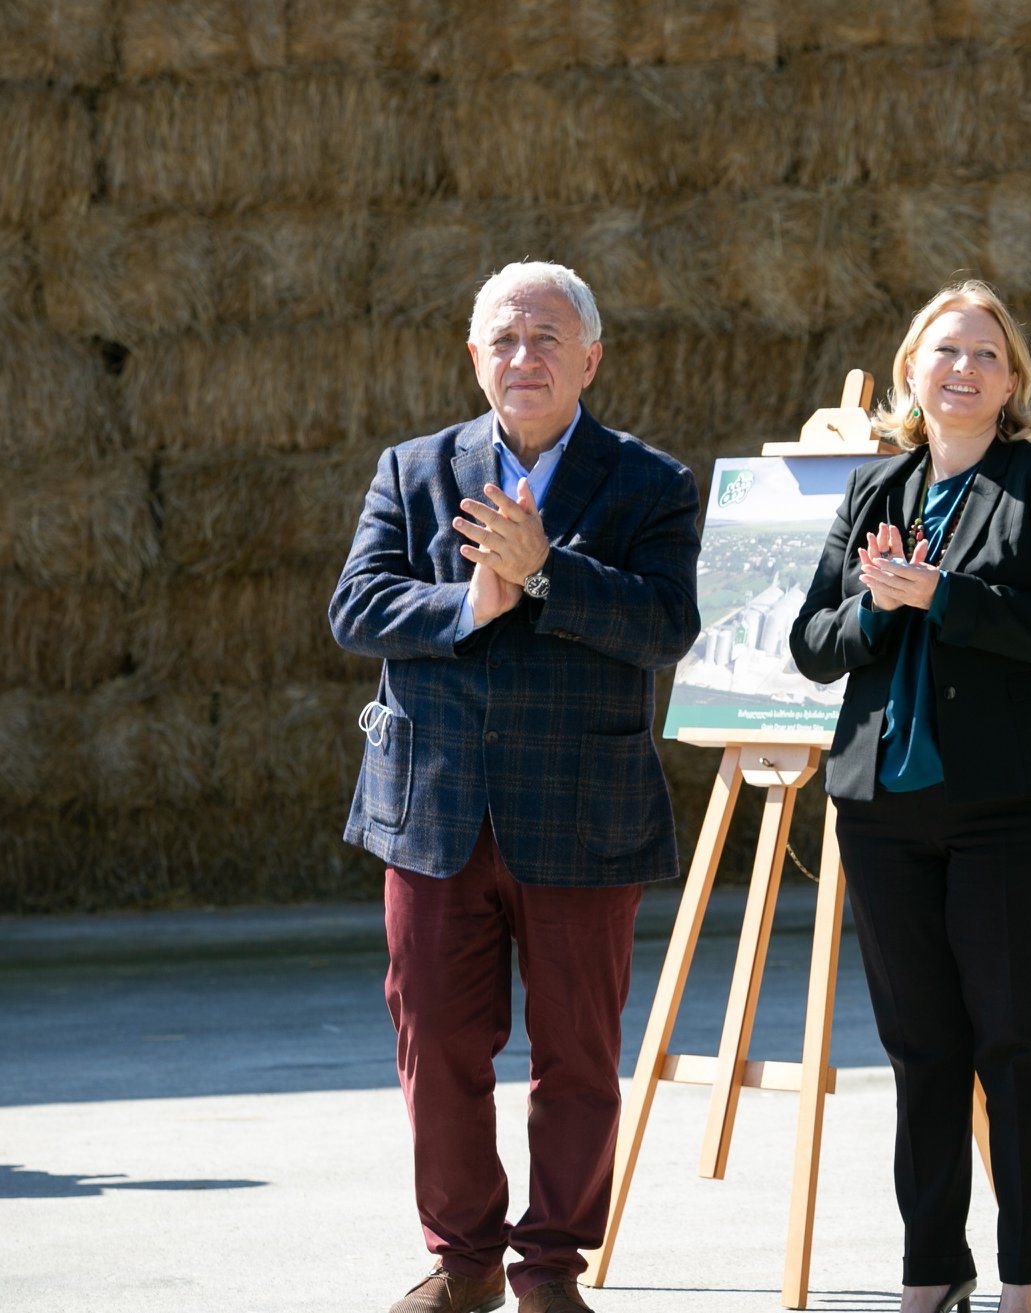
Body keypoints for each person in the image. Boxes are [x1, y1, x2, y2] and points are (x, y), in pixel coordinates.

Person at [329, 261, 700, 1313]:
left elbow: (666, 624)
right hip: (435, 813)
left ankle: (549, 1270)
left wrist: (546, 572)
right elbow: (356, 607)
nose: (522, 356)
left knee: (577, 1053)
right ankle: (464, 1260)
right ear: (474, 356)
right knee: (437, 1040)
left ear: (591, 359)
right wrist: (466, 606)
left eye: (546, 338)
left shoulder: (650, 483)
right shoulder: (413, 468)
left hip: (582, 812)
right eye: (503, 338)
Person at [790, 281, 1031, 1313]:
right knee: (920, 1050)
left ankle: (1026, 1280)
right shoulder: (872, 489)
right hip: (883, 811)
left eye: (985, 354)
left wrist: (945, 596)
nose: (963, 368)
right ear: (911, 373)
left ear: (1012, 383)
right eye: (945, 351)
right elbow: (813, 643)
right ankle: (932, 1268)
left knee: (1016, 1048)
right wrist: (879, 610)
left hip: (1017, 809)